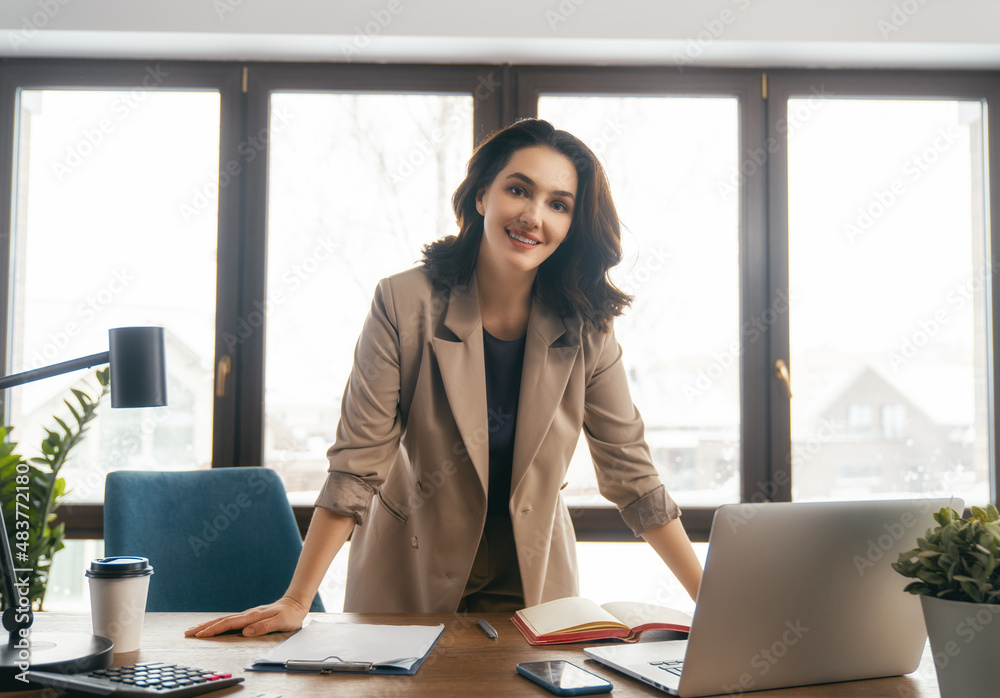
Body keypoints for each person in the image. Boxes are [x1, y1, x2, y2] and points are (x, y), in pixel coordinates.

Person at [187, 118, 703, 639]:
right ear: (482, 196)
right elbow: (356, 468)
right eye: (518, 190)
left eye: (558, 203)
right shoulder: (402, 302)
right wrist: (298, 599)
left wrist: (711, 604)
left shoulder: (588, 326)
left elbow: (635, 481)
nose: (532, 215)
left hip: (534, 591)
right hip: (411, 579)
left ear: (571, 224)